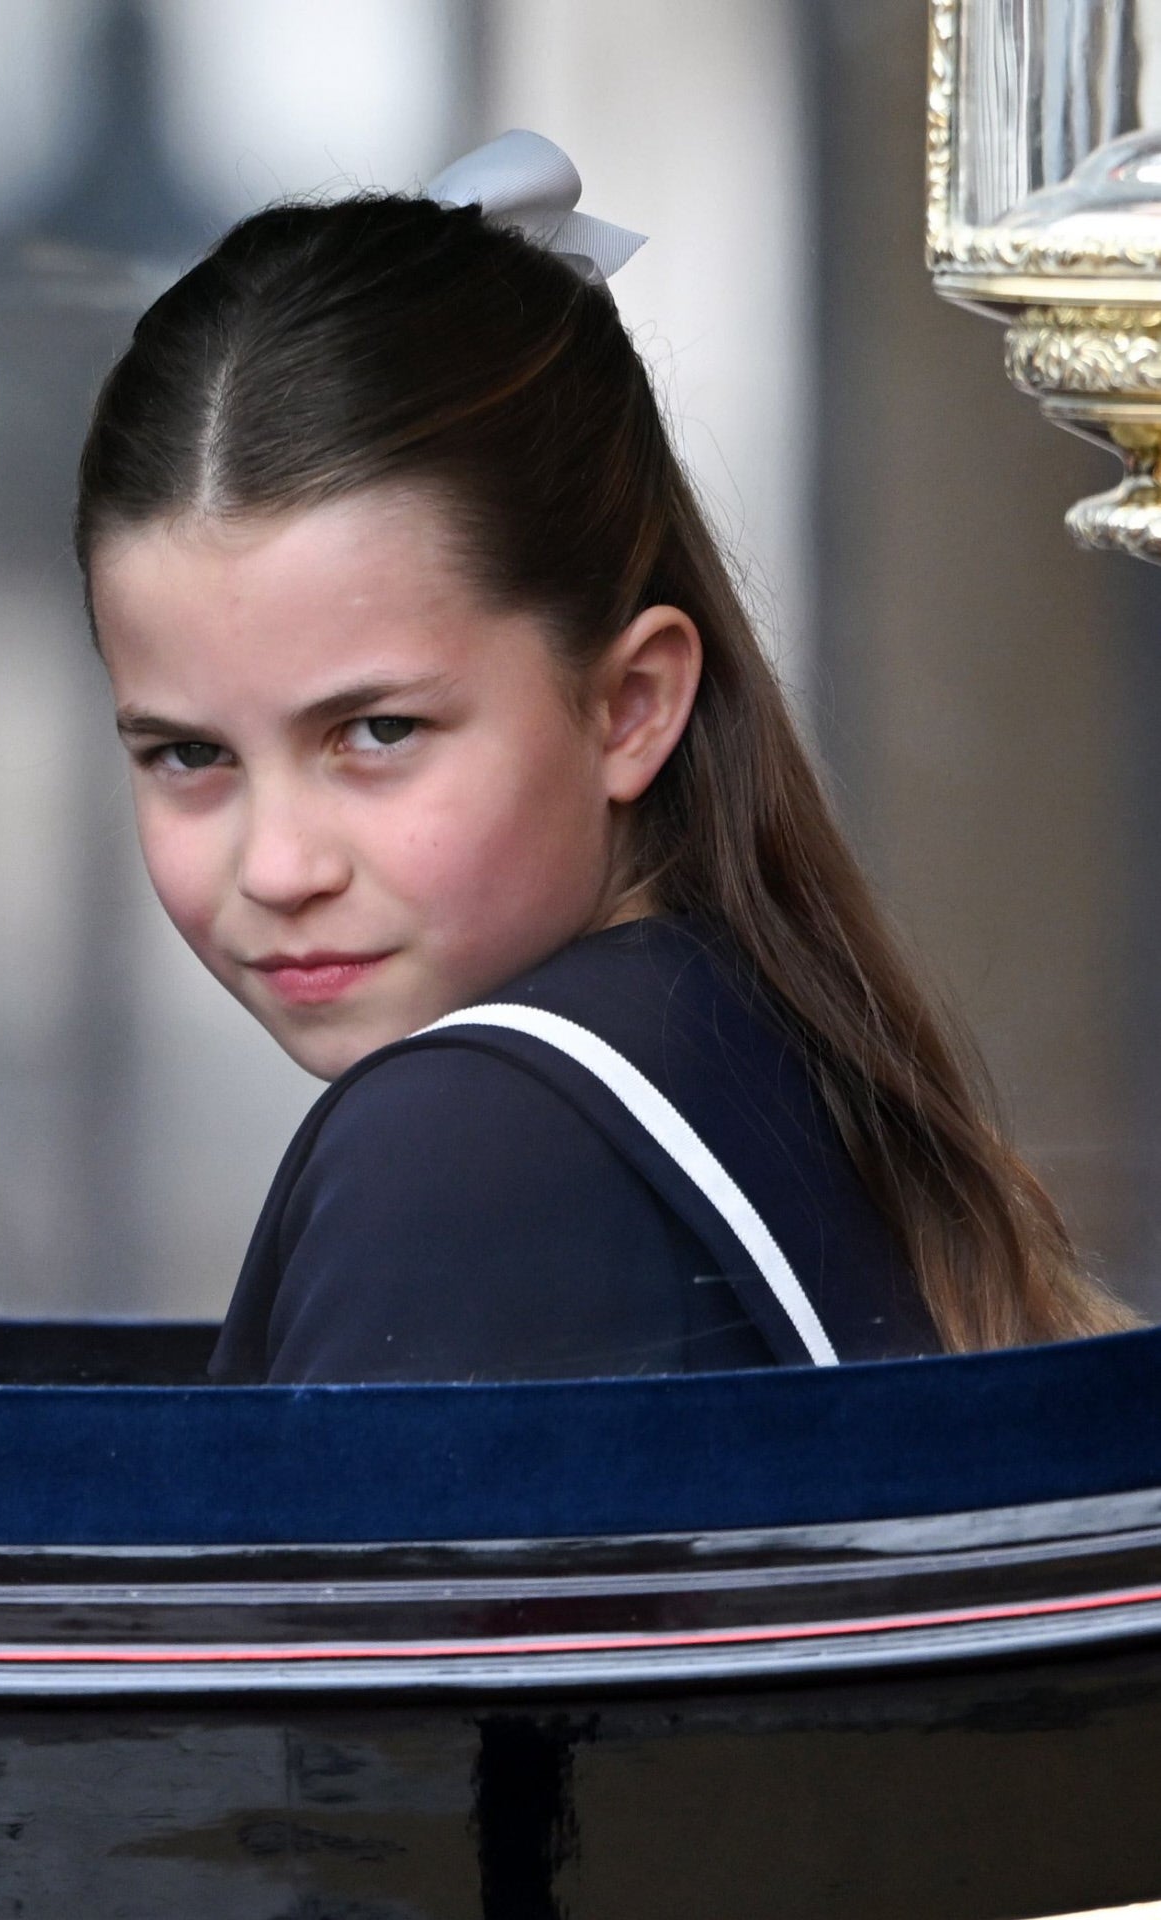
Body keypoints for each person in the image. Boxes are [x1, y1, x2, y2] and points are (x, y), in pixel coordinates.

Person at [74, 131, 1136, 1384]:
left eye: (376, 733)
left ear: (630, 706)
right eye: (189, 754)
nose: (279, 865)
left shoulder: (466, 1145)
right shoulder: (743, 1037)